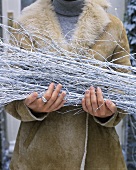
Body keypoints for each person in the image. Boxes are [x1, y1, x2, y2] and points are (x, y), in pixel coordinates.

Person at [5, 0, 131, 169]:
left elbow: (123, 89)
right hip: (38, 157)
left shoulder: (113, 27)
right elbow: (8, 94)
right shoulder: (25, 25)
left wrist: (108, 112)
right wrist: (31, 107)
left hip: (97, 157)